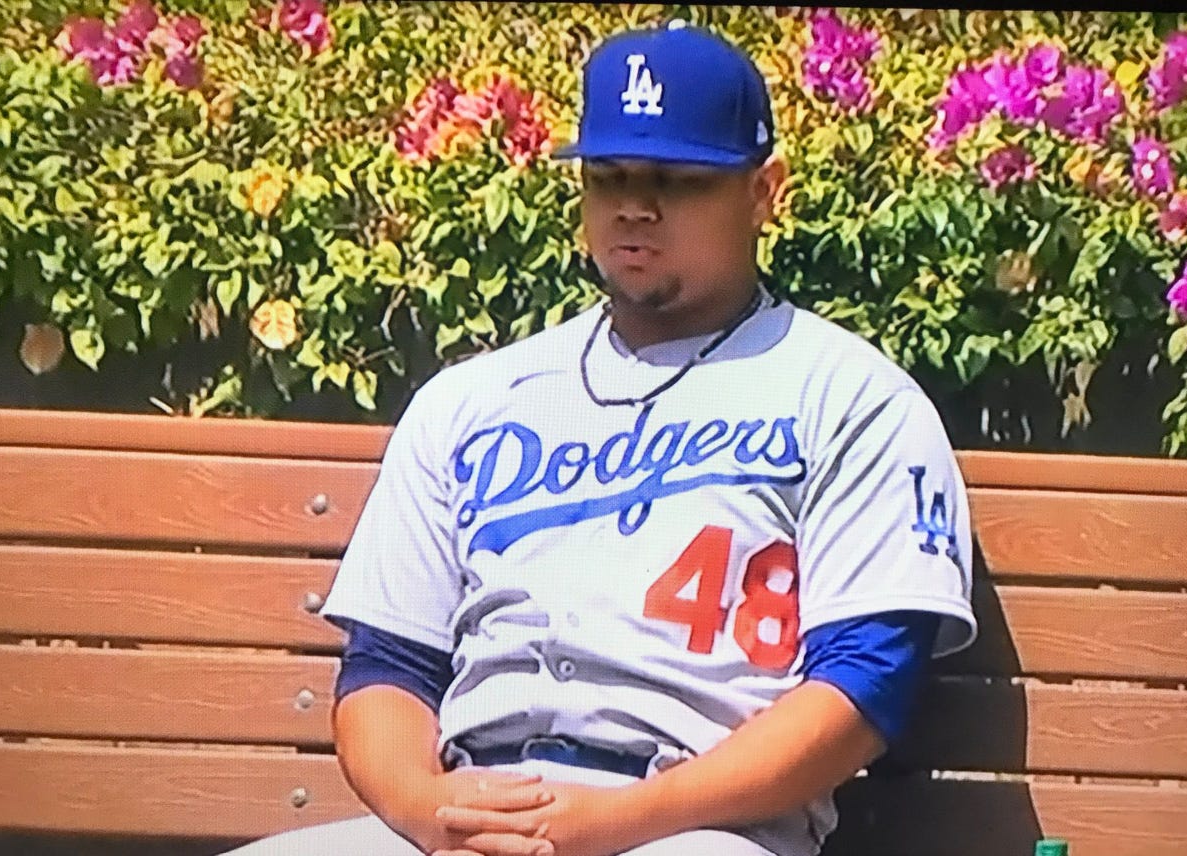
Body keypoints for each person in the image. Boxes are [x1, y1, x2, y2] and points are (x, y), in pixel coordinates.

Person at [224, 19, 976, 856]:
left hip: (698, 828)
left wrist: (612, 823)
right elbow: (386, 668)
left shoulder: (850, 397)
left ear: (765, 192)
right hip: (470, 817)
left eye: (678, 178)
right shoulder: (472, 399)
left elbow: (866, 684)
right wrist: (427, 811)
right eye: (607, 174)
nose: (633, 206)